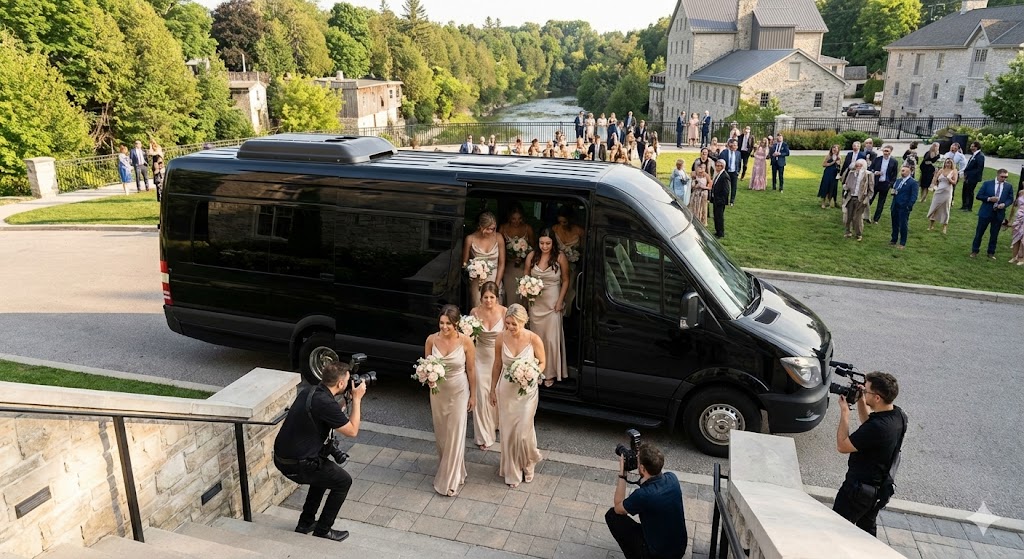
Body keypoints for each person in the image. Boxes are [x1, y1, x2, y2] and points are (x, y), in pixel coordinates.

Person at [273, 361, 364, 542]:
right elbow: (352, 431)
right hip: (299, 464)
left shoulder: (310, 391)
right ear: (340, 384)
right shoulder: (325, 403)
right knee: (343, 481)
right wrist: (358, 399)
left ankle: (305, 523)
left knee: (323, 476)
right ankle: (323, 530)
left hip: (282, 458)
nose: (349, 383)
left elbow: (324, 413)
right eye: (347, 380)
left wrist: (345, 403)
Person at [834, 372, 907, 537]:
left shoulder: (878, 427)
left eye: (866, 391)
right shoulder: (898, 415)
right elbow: (869, 424)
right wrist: (861, 399)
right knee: (866, 533)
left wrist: (845, 413)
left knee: (836, 530)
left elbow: (842, 446)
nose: (863, 392)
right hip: (877, 491)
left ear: (878, 398)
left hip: (857, 492)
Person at [490, 304, 546, 488]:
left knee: (523, 432)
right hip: (506, 390)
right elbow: (497, 365)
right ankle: (513, 470)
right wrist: (492, 389)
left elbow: (543, 362)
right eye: (507, 324)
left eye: (514, 324)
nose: (510, 328)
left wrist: (531, 372)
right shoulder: (500, 338)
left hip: (527, 391)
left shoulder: (534, 339)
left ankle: (529, 461)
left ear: (523, 321)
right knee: (508, 431)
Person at [425, 305, 476, 496]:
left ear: (456, 324)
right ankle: (455, 470)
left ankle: (450, 480)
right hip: (438, 393)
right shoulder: (431, 340)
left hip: (459, 391)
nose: (444, 327)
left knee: (455, 433)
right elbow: (427, 365)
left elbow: (471, 370)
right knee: (442, 434)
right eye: (441, 323)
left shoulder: (466, 342)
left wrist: (474, 395)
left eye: (448, 323)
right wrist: (427, 377)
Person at [607, 443, 687, 559]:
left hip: (657, 555)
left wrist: (623, 473)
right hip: (679, 549)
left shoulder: (643, 495)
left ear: (643, 468)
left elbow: (618, 508)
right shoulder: (672, 478)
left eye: (638, 461)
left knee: (612, 516)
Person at [524, 228, 569, 387]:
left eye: (548, 243)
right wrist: (527, 292)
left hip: (552, 302)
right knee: (537, 338)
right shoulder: (531, 256)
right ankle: (536, 371)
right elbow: (525, 278)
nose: (544, 246)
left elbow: (565, 280)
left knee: (550, 339)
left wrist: (560, 301)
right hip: (536, 303)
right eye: (542, 243)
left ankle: (550, 372)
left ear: (553, 243)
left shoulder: (560, 257)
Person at [471, 282, 505, 449]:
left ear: (497, 298)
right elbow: (469, 338)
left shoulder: (505, 312)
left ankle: (496, 423)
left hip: (498, 358)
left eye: (492, 297)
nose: (488, 300)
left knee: (497, 393)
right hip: (480, 358)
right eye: (485, 297)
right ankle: (484, 436)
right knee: (482, 396)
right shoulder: (474, 313)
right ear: (481, 297)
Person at [462, 212, 505, 309]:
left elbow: (502, 263)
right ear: (480, 226)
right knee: (478, 308)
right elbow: (464, 264)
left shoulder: (499, 237)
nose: (491, 231)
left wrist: (496, 285)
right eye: (488, 229)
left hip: (494, 278)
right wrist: (473, 268)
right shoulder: (470, 239)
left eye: (493, 228)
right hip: (477, 282)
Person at [970, 168, 1015, 259]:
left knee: (994, 234)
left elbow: (1010, 199)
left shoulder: (1008, 186)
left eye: (1006, 177)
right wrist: (989, 199)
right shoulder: (987, 184)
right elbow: (979, 196)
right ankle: (975, 250)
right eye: (1002, 177)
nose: (1004, 179)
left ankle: (991, 252)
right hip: (986, 212)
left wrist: (1004, 204)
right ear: (998, 175)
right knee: (979, 233)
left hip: (999, 213)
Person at [499, 204, 536, 305]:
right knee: (510, 293)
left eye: (519, 218)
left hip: (524, 266)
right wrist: (510, 256)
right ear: (509, 218)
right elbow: (499, 248)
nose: (517, 221)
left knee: (522, 293)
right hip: (508, 266)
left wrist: (524, 255)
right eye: (514, 219)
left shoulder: (527, 229)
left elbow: (534, 248)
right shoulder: (503, 228)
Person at [553, 206, 584, 315]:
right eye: (560, 221)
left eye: (565, 222)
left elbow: (583, 250)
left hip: (573, 266)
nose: (562, 224)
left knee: (569, 289)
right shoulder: (554, 229)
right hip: (556, 266)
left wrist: (574, 256)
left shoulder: (580, 232)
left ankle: (566, 315)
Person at [889, 164, 919, 249]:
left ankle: (902, 242)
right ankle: (893, 239)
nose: (902, 172)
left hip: (904, 206)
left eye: (904, 171)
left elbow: (914, 196)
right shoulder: (898, 181)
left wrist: (909, 205)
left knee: (903, 224)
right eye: (901, 170)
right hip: (895, 204)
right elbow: (895, 189)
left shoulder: (913, 182)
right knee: (894, 223)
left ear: (909, 171)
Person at [843, 159, 873, 241]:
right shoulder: (851, 173)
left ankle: (858, 234)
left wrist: (866, 199)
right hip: (851, 197)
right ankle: (848, 232)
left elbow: (871, 190)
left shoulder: (868, 174)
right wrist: (846, 187)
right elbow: (846, 183)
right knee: (848, 217)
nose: (858, 167)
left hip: (861, 199)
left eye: (860, 165)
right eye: (857, 165)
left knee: (857, 218)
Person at [868, 145, 899, 224]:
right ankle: (865, 215)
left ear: (890, 152)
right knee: (870, 199)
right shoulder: (877, 159)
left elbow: (894, 174)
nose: (885, 152)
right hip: (876, 182)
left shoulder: (894, 162)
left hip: (885, 184)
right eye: (884, 151)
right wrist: (875, 172)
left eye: (887, 151)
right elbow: (870, 168)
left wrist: (891, 184)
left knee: (881, 202)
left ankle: (876, 219)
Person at [927, 158, 958, 235]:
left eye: (949, 163)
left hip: (947, 191)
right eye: (946, 163)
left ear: (952, 164)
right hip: (939, 191)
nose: (947, 164)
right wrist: (933, 185)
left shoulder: (954, 171)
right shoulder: (941, 170)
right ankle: (931, 225)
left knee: (945, 208)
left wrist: (949, 179)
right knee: (934, 207)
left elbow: (954, 182)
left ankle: (944, 226)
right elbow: (935, 178)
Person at [961, 141, 985, 212]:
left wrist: (969, 175)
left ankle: (969, 207)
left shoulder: (980, 156)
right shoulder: (973, 155)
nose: (970, 148)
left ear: (976, 147)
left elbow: (979, 168)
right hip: (967, 176)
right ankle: (964, 205)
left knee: (970, 191)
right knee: (964, 190)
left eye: (972, 146)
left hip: (973, 178)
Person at [710, 159, 730, 238]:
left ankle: (720, 233)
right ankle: (717, 231)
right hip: (716, 199)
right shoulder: (719, 174)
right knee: (716, 216)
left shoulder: (724, 176)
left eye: (719, 166)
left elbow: (726, 190)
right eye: (716, 165)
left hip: (720, 201)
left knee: (719, 216)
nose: (717, 167)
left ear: (723, 166)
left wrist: (720, 200)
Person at [721, 139, 741, 206]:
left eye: (736, 145)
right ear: (730, 145)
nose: (735, 146)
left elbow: (739, 163)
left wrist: (738, 171)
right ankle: (725, 200)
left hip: (734, 172)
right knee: (725, 187)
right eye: (734, 145)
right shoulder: (724, 152)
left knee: (734, 187)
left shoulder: (738, 153)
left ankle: (732, 201)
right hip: (726, 172)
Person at [1009, 187, 1024, 265]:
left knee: (1023, 240)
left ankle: (1021, 259)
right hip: (1018, 218)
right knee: (1016, 238)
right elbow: (1015, 205)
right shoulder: (1021, 192)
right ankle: (1014, 257)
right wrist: (1010, 219)